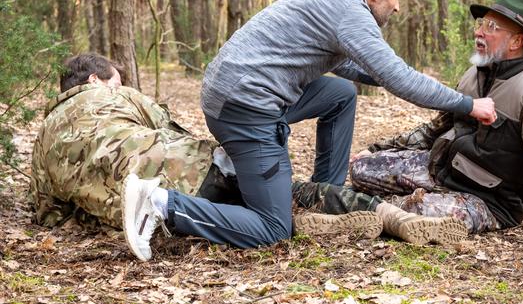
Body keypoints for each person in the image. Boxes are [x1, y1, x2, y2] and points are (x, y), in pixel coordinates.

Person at [121, 0, 491, 261]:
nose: (397, 6)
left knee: (339, 95)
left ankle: (322, 198)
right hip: (244, 108)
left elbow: (354, 66)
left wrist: (397, 78)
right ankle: (160, 203)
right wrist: (468, 105)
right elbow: (397, 77)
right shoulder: (349, 11)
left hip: (237, 92)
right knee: (272, 228)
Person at [29, 53, 391, 242]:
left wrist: (101, 205)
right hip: (187, 175)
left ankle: (361, 214)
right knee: (283, 208)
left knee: (269, 206)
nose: (120, 85)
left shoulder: (42, 138)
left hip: (126, 208)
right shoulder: (116, 97)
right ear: (96, 80)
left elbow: (50, 214)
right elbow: (168, 130)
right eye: (117, 79)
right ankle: (387, 212)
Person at [322, 0, 523, 257]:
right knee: (361, 169)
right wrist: (376, 149)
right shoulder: (474, 74)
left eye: (491, 28)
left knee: (410, 209)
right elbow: (435, 129)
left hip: (489, 200)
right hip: (442, 167)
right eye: (480, 24)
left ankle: (349, 210)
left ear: (516, 41)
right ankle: (369, 209)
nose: (479, 32)